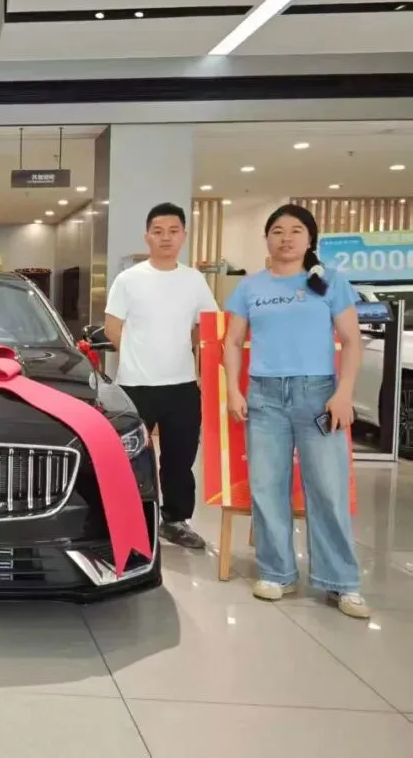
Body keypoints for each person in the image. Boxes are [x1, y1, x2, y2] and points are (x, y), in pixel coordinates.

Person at [223, 204, 368, 619]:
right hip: (264, 397)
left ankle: (341, 581)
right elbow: (232, 341)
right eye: (277, 231)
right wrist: (233, 390)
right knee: (267, 487)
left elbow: (352, 341)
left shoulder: (330, 282)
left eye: (296, 230)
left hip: (318, 395)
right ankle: (276, 572)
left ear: (310, 239)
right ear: (267, 238)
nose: (286, 238)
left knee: (328, 489)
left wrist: (344, 393)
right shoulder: (250, 287)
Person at [103, 202, 217, 550]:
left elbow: (207, 326)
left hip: (182, 386)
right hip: (135, 385)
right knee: (128, 457)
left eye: (173, 231)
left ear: (184, 235)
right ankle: (126, 520)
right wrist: (138, 355)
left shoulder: (194, 280)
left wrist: (186, 353)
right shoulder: (129, 279)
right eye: (158, 231)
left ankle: (175, 521)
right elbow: (112, 327)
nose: (165, 237)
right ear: (147, 236)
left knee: (180, 459)